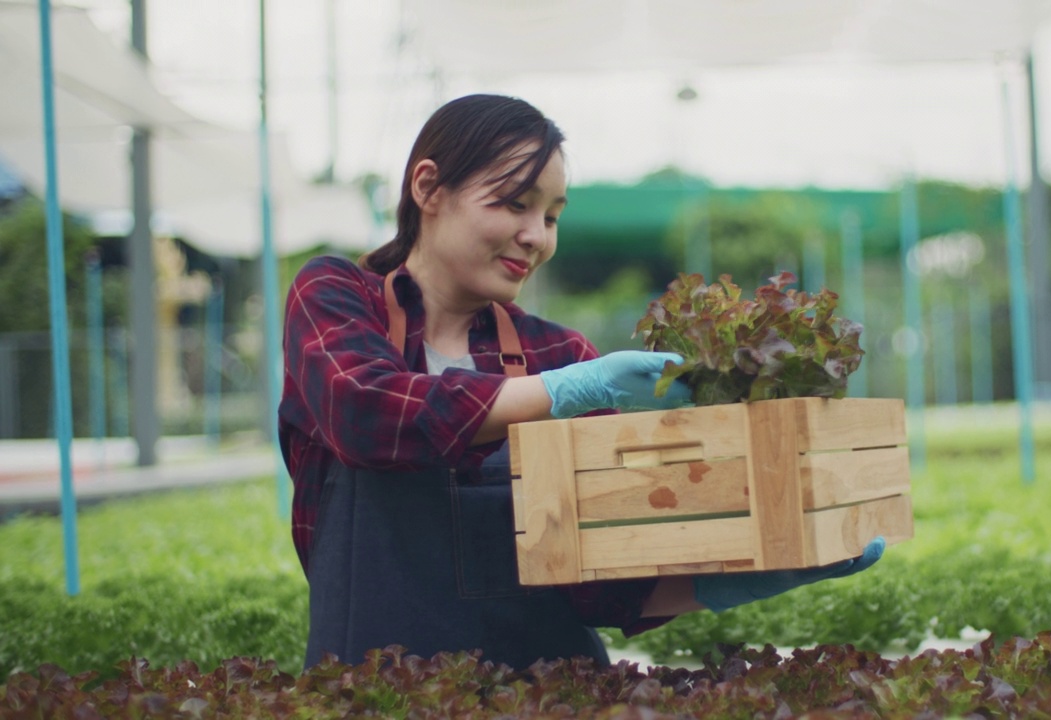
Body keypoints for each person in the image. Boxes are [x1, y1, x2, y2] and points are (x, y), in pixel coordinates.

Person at [279, 93, 885, 671]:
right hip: (380, 695)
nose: (537, 236)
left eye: (551, 215)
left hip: (550, 692)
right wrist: (567, 391)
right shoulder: (335, 297)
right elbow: (367, 414)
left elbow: (602, 589)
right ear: (429, 187)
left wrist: (755, 571)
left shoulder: (556, 351)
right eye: (514, 203)